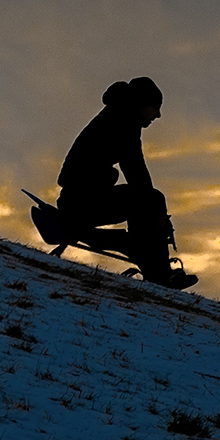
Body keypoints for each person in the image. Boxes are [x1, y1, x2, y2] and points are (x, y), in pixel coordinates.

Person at [55, 76, 197, 290]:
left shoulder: (119, 115)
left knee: (148, 199)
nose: (158, 115)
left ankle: (157, 269)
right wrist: (157, 217)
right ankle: (159, 272)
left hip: (77, 200)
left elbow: (136, 174)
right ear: (142, 104)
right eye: (155, 107)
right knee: (150, 200)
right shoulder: (122, 122)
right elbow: (136, 171)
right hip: (79, 205)